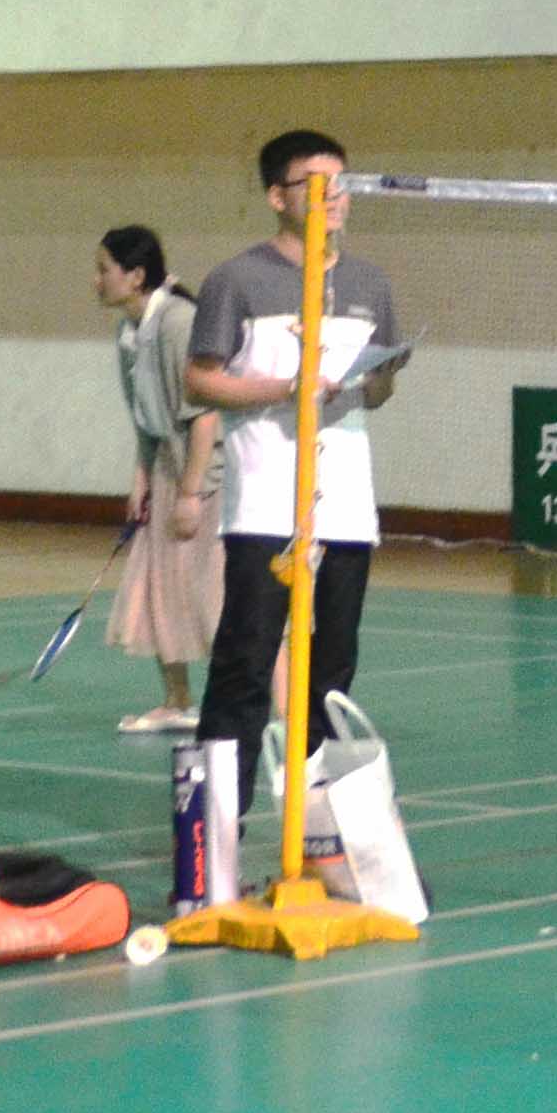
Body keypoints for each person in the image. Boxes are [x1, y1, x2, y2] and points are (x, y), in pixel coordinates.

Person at [187, 131, 404, 865]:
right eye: (314, 184)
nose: (332, 197)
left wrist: (378, 375)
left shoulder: (370, 283)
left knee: (331, 674)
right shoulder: (236, 280)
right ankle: (214, 842)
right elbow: (201, 379)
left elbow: (380, 390)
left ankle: (319, 838)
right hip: (265, 504)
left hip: (345, 506)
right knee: (245, 667)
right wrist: (285, 389)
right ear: (277, 196)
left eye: (340, 184)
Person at [99, 222, 223, 734]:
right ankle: (177, 700)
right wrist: (142, 480)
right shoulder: (129, 334)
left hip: (207, 474)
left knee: (211, 595)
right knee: (156, 587)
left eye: (104, 269)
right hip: (167, 469)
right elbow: (146, 419)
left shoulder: (178, 323)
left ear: (135, 276)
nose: (97, 280)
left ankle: (243, 701)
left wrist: (191, 494)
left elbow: (205, 416)